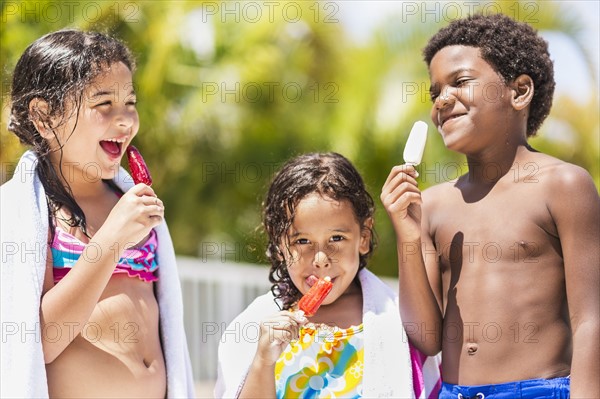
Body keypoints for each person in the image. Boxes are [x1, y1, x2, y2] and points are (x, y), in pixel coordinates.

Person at [381, 13, 599, 399]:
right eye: (435, 93)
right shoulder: (431, 204)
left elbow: (590, 320)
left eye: (461, 82)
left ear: (518, 92)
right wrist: (407, 235)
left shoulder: (564, 185)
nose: (443, 100)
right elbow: (426, 337)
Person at [0, 30, 195, 398]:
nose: (125, 122)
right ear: (44, 117)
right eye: (104, 104)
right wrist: (111, 240)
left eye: (131, 103)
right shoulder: (29, 215)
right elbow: (35, 342)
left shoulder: (127, 200)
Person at [215, 152, 441, 399]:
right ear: (280, 247)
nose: (321, 260)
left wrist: (408, 237)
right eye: (302, 241)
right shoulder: (261, 325)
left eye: (336, 238)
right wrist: (262, 361)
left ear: (363, 238)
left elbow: (430, 341)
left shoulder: (393, 316)